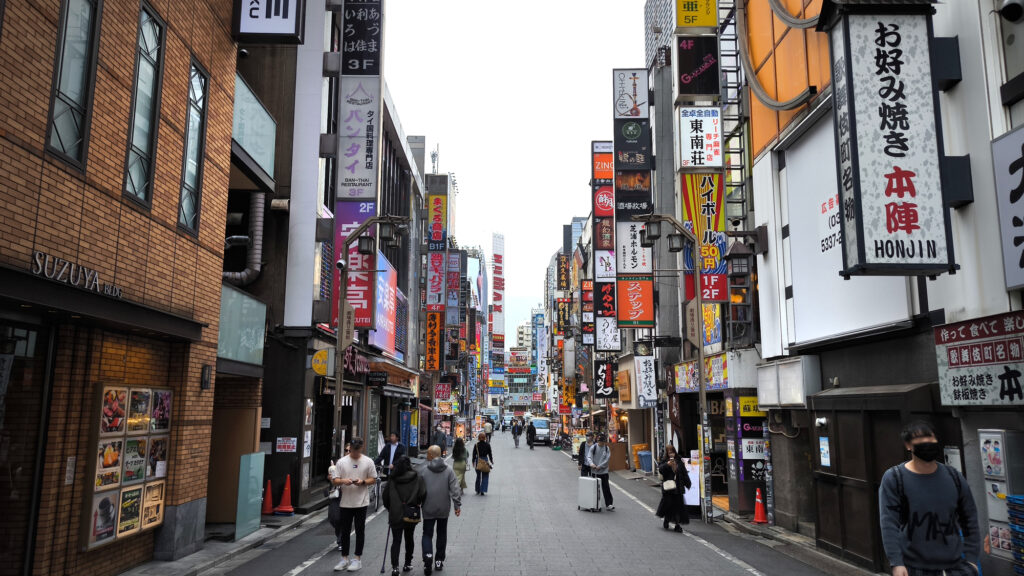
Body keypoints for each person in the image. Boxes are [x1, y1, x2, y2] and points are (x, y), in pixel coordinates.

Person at [879, 421, 979, 576]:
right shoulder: (894, 478)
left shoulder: (954, 476)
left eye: (930, 438)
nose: (927, 443)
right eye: (920, 439)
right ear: (908, 445)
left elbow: (970, 518)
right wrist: (896, 562)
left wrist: (972, 560)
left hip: (956, 566)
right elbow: (889, 523)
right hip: (913, 567)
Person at [331, 437, 378, 572]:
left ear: (361, 448)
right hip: (345, 502)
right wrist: (343, 481)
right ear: (350, 448)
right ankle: (344, 558)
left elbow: (373, 479)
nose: (355, 453)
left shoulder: (368, 461)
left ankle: (357, 559)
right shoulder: (342, 462)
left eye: (358, 451)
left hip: (361, 501)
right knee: (345, 531)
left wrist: (362, 482)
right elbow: (335, 480)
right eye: (353, 450)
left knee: (359, 530)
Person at [382, 455, 426, 576]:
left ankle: (395, 567)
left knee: (396, 540)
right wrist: (417, 503)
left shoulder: (393, 479)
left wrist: (390, 508)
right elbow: (422, 493)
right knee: (409, 538)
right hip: (411, 513)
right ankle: (407, 563)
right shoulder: (417, 477)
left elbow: (385, 497)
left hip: (395, 513)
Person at [420, 445, 462, 574]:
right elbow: (455, 489)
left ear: (432, 455)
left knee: (427, 533)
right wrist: (457, 505)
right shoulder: (448, 470)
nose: (427, 455)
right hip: (444, 507)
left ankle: (428, 556)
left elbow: (418, 490)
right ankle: (439, 560)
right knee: (441, 533)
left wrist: (416, 503)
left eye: (428, 453)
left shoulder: (423, 471)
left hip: (428, 507)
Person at [656, 445, 691, 532]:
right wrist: (667, 465)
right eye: (670, 452)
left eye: (673, 452)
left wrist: (688, 483)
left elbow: (684, 473)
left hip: (678, 488)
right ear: (667, 453)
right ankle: (667, 519)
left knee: (677, 507)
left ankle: (677, 525)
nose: (672, 454)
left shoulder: (679, 461)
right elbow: (660, 470)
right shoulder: (665, 461)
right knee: (669, 505)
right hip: (668, 488)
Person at [588, 434, 614, 510]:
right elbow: (589, 457)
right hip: (594, 471)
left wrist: (601, 466)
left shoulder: (606, 448)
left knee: (606, 488)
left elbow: (607, 459)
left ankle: (609, 504)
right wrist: (592, 464)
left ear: (605, 441)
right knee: (594, 489)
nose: (601, 443)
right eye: (599, 441)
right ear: (597, 441)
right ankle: (594, 504)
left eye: (602, 441)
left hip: (604, 471)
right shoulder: (594, 447)